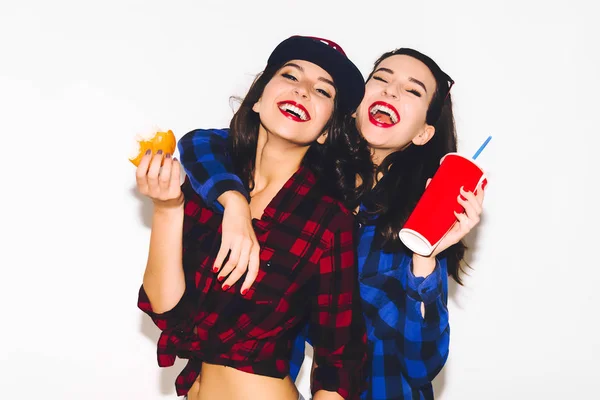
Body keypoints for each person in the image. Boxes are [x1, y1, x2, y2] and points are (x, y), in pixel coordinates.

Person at [176, 47, 487, 399]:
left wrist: (425, 259)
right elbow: (202, 143)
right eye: (381, 79)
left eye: (412, 90)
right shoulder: (307, 184)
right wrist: (232, 201)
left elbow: (420, 365)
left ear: (423, 133)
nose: (390, 91)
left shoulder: (418, 224)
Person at [135, 35, 372, 400]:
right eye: (291, 76)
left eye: (323, 91)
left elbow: (340, 357)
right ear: (259, 99)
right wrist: (168, 208)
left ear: (326, 131)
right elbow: (168, 311)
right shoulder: (208, 186)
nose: (304, 90)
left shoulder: (327, 219)